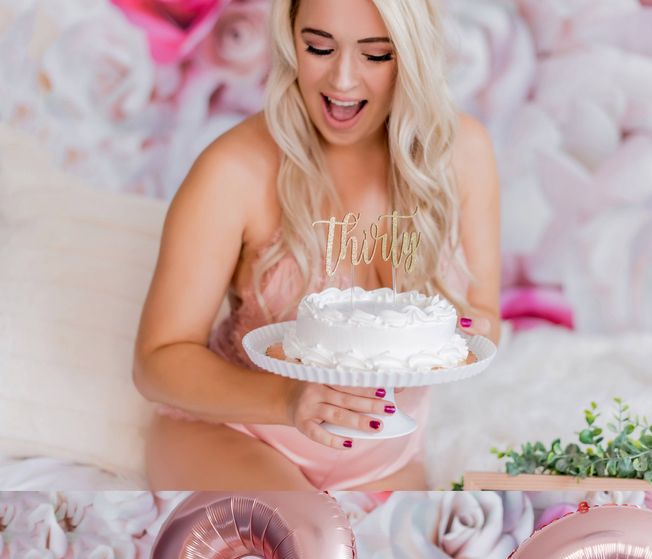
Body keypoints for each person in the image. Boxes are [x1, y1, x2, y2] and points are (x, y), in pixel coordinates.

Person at [133, 0, 500, 492]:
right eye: (320, 48)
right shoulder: (233, 170)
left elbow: (485, 317)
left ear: (412, 55)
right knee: (304, 540)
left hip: (385, 457)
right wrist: (287, 399)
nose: (342, 82)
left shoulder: (463, 154)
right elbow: (157, 361)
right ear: (289, 39)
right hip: (232, 435)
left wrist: (451, 335)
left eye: (376, 55)